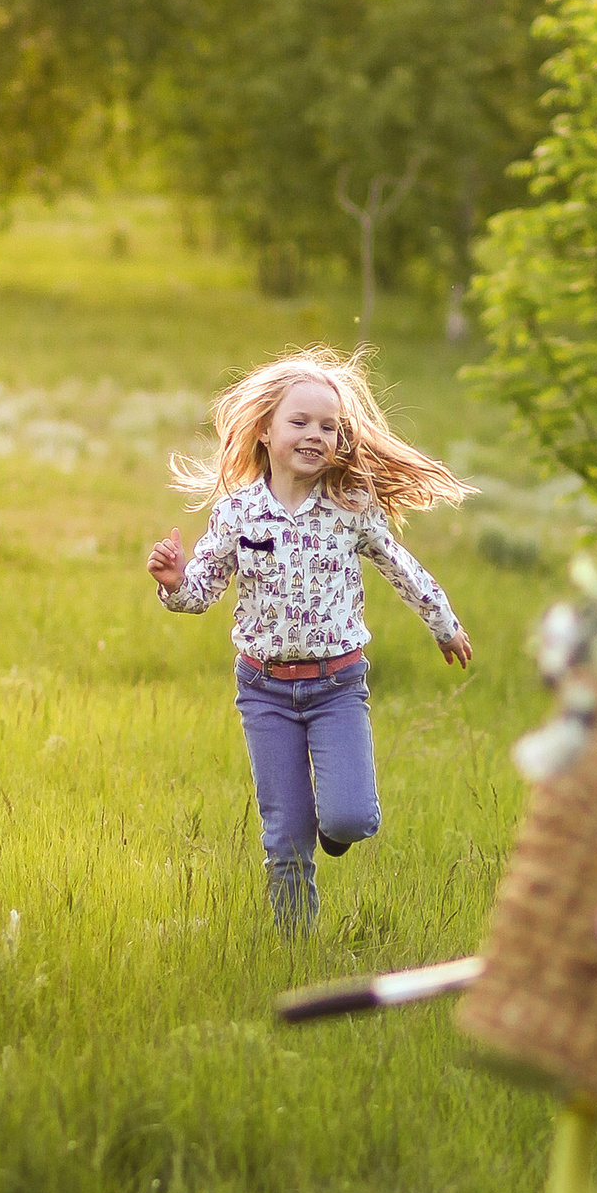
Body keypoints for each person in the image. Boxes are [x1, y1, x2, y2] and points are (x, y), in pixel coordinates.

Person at [148, 352, 472, 929]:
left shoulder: (351, 510)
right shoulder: (238, 514)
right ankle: (295, 955)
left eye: (329, 427)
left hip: (336, 687)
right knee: (284, 840)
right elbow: (201, 590)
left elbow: (402, 568)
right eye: (300, 422)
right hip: (265, 691)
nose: (315, 435)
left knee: (350, 820)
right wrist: (174, 584)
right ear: (265, 432)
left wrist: (444, 624)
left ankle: (335, 822)